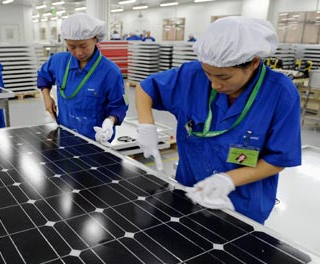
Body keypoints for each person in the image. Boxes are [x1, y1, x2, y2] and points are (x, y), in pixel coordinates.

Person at [135, 16, 301, 224]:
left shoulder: (280, 94)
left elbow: (279, 159)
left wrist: (228, 180)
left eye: (224, 77)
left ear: (253, 63)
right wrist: (146, 125)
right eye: (208, 74)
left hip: (241, 205)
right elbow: (145, 88)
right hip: (190, 192)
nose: (214, 84)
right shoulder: (192, 75)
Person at [37, 13, 128, 144]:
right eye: (72, 47)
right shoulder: (59, 61)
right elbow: (43, 76)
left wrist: (110, 121)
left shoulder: (110, 72)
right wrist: (47, 97)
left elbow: (118, 105)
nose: (78, 53)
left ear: (95, 39)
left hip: (94, 140)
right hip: (65, 135)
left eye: (83, 46)